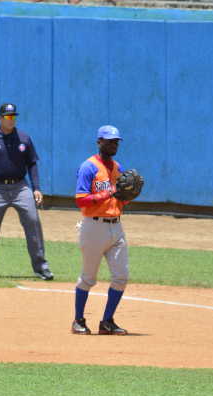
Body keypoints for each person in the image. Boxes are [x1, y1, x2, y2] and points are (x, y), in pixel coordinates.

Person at [0, 102, 53, 280]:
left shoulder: (24, 138)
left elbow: (32, 164)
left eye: (13, 116)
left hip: (20, 187)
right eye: (8, 116)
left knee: (33, 221)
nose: (11, 119)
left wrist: (36, 188)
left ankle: (41, 267)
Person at [71, 125, 131, 336]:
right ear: (99, 142)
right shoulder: (89, 167)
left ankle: (107, 322)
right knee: (88, 278)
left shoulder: (118, 168)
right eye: (109, 141)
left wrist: (128, 196)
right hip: (93, 227)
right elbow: (81, 200)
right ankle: (78, 320)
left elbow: (120, 198)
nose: (113, 144)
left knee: (121, 277)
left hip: (116, 226)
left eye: (116, 141)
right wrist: (107, 195)